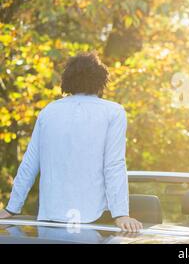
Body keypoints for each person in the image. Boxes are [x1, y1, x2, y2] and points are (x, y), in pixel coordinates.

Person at [0, 52, 142, 232]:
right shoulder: (113, 112)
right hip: (95, 220)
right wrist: (121, 214)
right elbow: (114, 164)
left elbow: (29, 163)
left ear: (67, 81)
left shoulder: (48, 111)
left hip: (49, 218)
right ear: (100, 82)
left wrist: (11, 208)